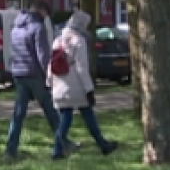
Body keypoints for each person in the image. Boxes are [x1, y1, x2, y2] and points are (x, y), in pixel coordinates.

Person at [4, 0, 78, 160]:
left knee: (18, 114)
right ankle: (63, 143)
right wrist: (51, 75)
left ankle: (10, 150)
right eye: (46, 14)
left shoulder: (16, 28)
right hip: (35, 75)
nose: (46, 18)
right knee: (51, 111)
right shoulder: (38, 28)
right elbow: (43, 56)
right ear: (41, 10)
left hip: (19, 74)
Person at [48, 10, 118, 160]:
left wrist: (49, 82)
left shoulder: (57, 40)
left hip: (59, 85)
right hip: (76, 87)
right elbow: (81, 68)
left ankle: (57, 150)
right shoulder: (78, 41)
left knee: (65, 118)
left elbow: (51, 65)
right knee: (87, 115)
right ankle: (102, 144)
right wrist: (89, 89)